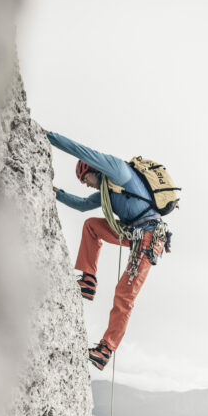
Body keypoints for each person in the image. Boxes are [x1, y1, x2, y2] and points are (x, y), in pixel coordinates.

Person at [47, 130, 171, 370]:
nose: (84, 184)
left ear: (91, 169)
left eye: (84, 178)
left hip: (149, 235)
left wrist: (49, 137)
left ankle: (105, 350)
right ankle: (88, 281)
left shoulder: (117, 171)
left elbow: (81, 151)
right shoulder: (107, 192)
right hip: (134, 234)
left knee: (125, 295)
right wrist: (57, 194)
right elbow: (83, 206)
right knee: (92, 226)